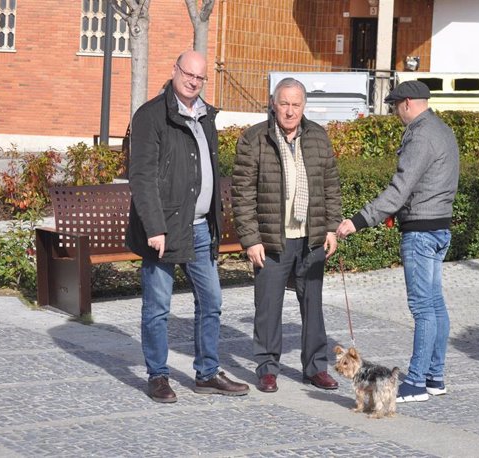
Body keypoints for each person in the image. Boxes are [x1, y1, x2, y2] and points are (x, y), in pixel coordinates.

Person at [126, 50, 249, 403]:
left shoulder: (205, 115)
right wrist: (154, 226)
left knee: (211, 301)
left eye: (200, 77)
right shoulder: (151, 116)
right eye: (188, 74)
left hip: (199, 228)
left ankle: (207, 373)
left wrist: (215, 217)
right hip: (164, 228)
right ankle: (158, 375)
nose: (193, 81)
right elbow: (142, 176)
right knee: (157, 307)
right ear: (174, 70)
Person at [336, 80, 460, 403]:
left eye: (394, 107)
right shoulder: (444, 130)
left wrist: (359, 220)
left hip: (419, 230)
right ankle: (435, 376)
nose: (394, 113)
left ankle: (416, 381)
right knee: (434, 304)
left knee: (422, 308)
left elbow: (399, 190)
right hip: (440, 227)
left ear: (407, 103)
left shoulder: (420, 135)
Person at [231, 77, 342, 393]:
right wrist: (251, 239)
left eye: (296, 104)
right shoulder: (254, 139)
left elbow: (331, 187)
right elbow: (242, 195)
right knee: (267, 308)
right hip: (270, 240)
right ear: (273, 103)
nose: (290, 111)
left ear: (303, 106)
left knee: (313, 307)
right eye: (284, 103)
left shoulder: (318, 137)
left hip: (311, 238)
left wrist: (331, 228)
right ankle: (267, 368)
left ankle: (315, 368)